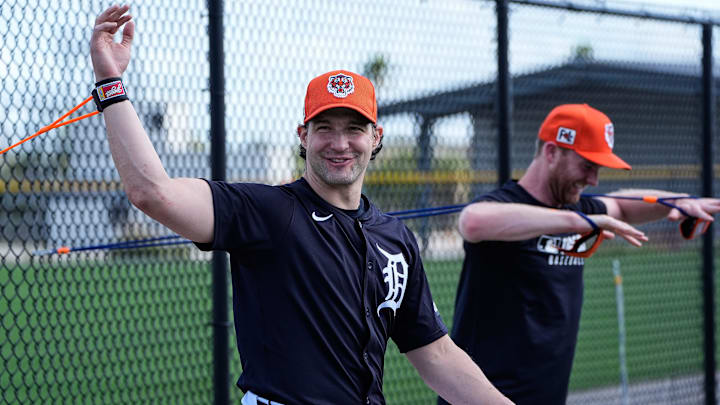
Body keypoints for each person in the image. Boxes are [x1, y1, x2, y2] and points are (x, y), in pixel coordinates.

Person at [90, 5, 513, 405]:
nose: (340, 143)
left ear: (376, 137)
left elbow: (436, 354)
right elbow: (153, 192)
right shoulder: (269, 211)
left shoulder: (396, 239)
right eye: (324, 127)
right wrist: (111, 82)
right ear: (303, 136)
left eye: (354, 128)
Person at [438, 103, 720, 405]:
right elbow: (472, 221)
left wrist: (680, 202)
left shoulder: (579, 208)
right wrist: (576, 222)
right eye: (587, 166)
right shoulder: (508, 206)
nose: (594, 180)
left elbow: (622, 205)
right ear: (551, 152)